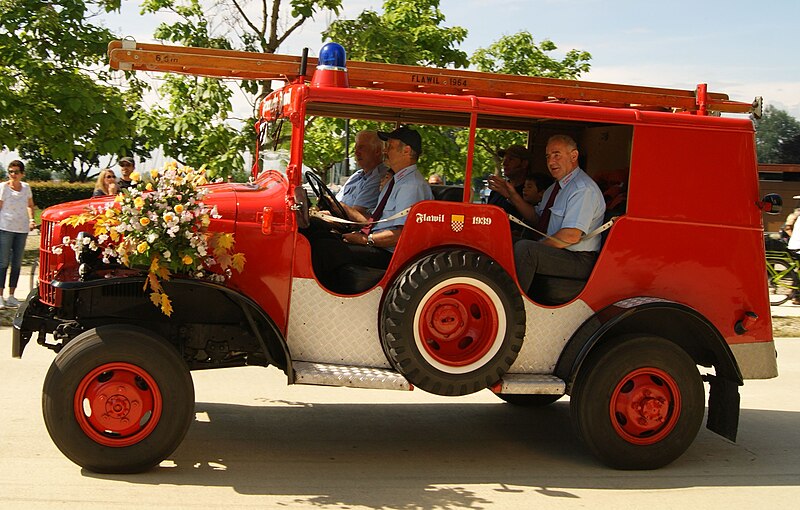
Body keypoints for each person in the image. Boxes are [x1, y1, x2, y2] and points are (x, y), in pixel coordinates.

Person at [311, 126, 433, 290]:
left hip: (390, 255)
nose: (385, 152)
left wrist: (365, 240)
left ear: (407, 151)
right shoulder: (395, 181)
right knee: (321, 238)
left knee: (325, 250)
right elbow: (377, 220)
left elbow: (400, 235)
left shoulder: (411, 186)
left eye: (389, 147)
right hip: (377, 245)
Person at [513, 135, 605, 296]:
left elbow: (571, 236)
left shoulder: (582, 189)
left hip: (578, 258)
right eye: (548, 156)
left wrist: (538, 246)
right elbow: (538, 220)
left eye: (557, 155)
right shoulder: (553, 189)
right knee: (510, 241)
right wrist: (511, 195)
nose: (550, 162)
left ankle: (512, 306)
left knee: (526, 250)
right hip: (562, 252)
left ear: (573, 156)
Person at [0, 160, 36, 308]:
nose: (13, 175)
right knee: (3, 262)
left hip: (21, 229)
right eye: (11, 172)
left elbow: (29, 205)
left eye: (16, 172)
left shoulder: (26, 187)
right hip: (5, 227)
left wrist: (32, 219)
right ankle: (0, 296)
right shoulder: (3, 187)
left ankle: (12, 295)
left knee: (17, 263)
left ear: (22, 174)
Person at [335, 131, 389, 217]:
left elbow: (357, 215)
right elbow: (336, 201)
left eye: (361, 148)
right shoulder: (356, 176)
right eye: (355, 148)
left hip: (348, 225)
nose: (356, 153)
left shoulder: (380, 177)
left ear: (377, 151)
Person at [486, 144, 532, 236]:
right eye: (504, 159)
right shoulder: (497, 191)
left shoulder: (531, 192)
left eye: (511, 159)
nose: (504, 163)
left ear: (524, 164)